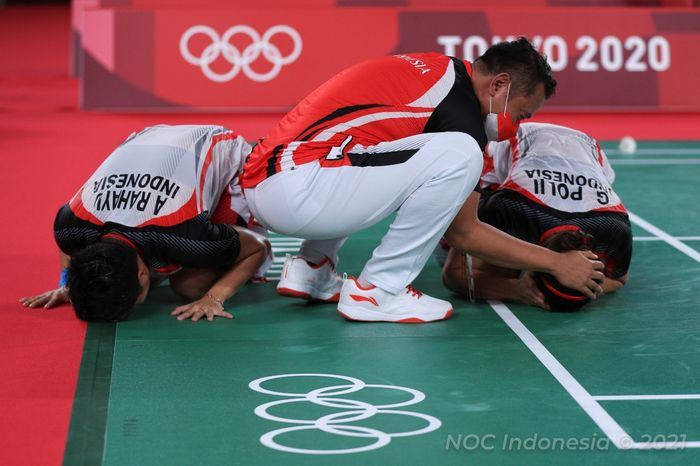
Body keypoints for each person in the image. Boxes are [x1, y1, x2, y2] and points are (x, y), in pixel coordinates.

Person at [241, 38, 605, 323]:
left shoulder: (439, 72)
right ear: (499, 84)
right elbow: (465, 233)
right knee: (458, 152)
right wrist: (556, 263)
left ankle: (313, 268)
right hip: (297, 188)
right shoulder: (461, 118)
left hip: (272, 180)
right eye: (520, 113)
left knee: (375, 149)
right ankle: (379, 290)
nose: (517, 125)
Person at [20, 125, 269, 322]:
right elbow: (67, 245)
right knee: (181, 266)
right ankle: (163, 266)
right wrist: (67, 284)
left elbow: (258, 247)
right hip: (151, 138)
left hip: (223, 151)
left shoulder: (184, 237)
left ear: (142, 273)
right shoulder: (71, 226)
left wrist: (214, 298)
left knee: (192, 287)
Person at [440, 122, 632, 311]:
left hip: (586, 150)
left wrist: (588, 282)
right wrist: (516, 288)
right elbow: (454, 274)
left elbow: (618, 280)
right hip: (516, 142)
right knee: (453, 242)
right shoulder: (509, 207)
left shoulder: (614, 227)